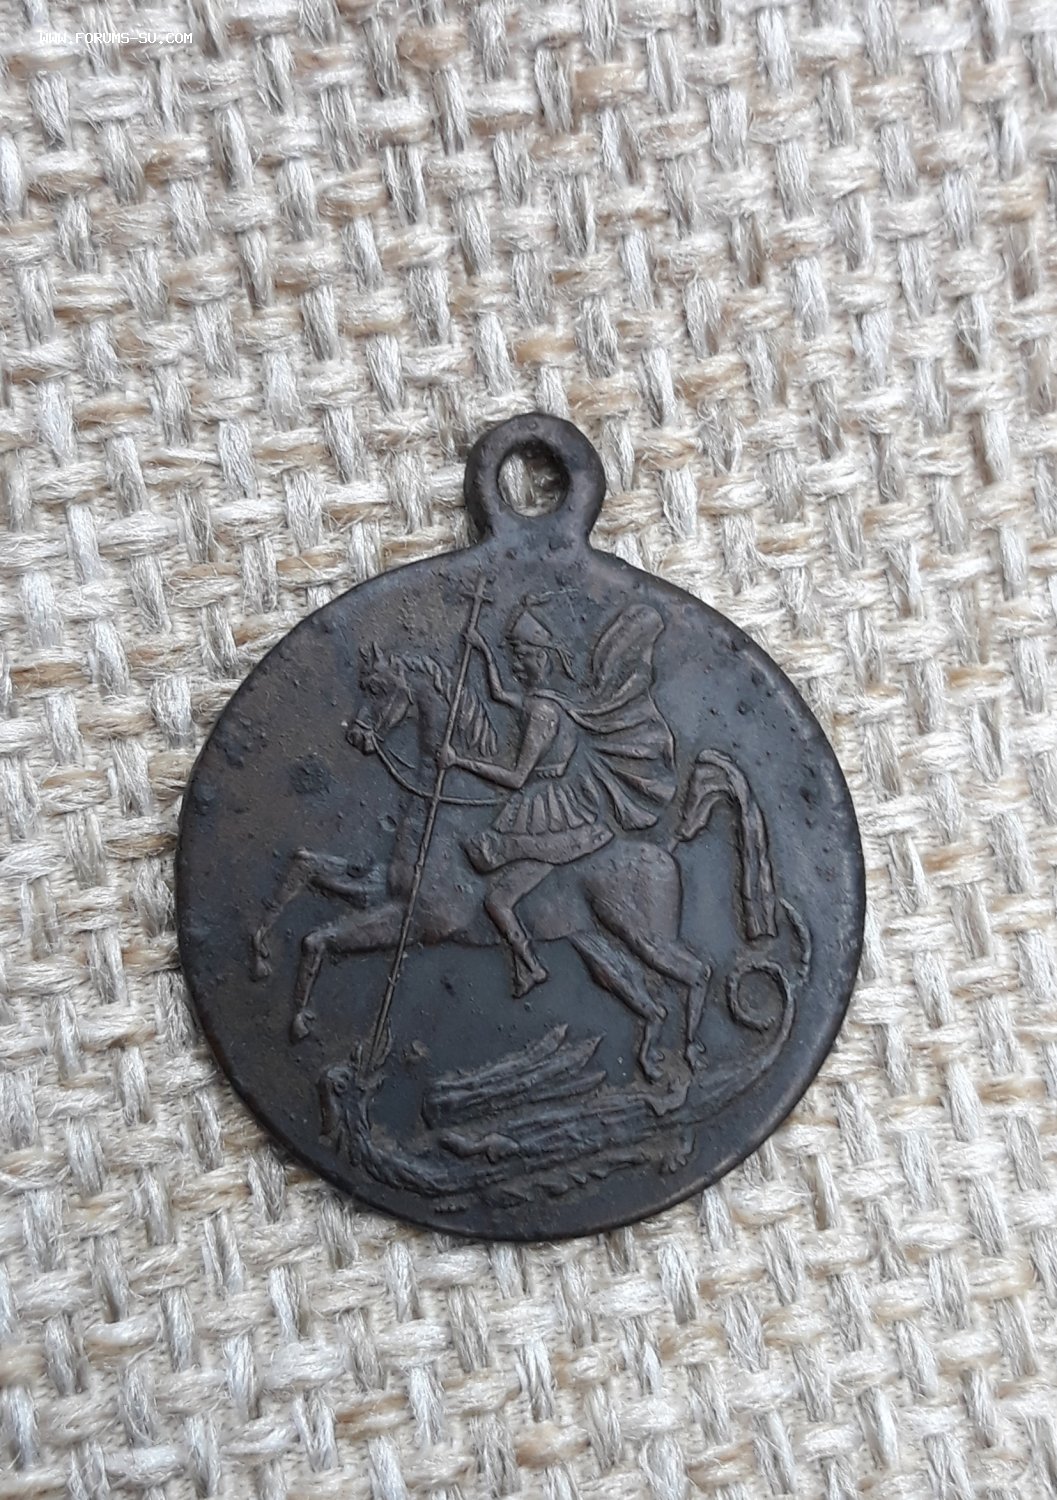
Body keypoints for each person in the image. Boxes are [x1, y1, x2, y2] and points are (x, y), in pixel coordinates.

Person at [438, 598, 676, 995]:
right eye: (512, 657)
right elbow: (499, 694)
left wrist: (459, 760)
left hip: (549, 817)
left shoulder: (543, 714)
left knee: (498, 901)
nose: (515, 666)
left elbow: (516, 777)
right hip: (539, 805)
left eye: (520, 657)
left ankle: (531, 967)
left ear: (541, 657)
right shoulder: (544, 701)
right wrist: (482, 651)